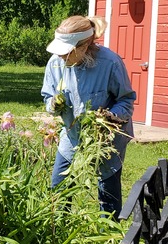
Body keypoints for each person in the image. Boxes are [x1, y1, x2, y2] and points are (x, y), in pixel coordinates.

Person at [41, 15, 136, 220]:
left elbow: (126, 101)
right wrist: (53, 104)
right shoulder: (55, 63)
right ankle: (58, 233)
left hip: (106, 140)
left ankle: (107, 239)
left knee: (108, 195)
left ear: (84, 46)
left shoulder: (109, 63)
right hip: (72, 135)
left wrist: (110, 116)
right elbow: (47, 96)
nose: (61, 57)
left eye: (67, 52)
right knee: (59, 188)